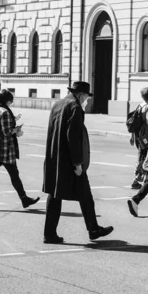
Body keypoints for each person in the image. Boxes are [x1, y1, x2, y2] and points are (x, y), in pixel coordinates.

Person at [43, 81, 114, 244]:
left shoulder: (58, 104)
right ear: (81, 95)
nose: (87, 101)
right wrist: (77, 164)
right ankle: (93, 229)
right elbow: (73, 137)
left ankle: (51, 233)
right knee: (85, 195)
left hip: (54, 158)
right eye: (87, 98)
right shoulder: (75, 107)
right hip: (69, 161)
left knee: (55, 195)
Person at [0, 89, 40, 211]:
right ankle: (24, 198)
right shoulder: (5, 112)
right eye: (11, 101)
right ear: (6, 101)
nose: (11, 103)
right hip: (4, 150)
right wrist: (16, 129)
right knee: (14, 175)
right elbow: (7, 132)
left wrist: (13, 119)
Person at [130, 87, 148, 190]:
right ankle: (137, 180)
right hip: (146, 137)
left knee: (143, 156)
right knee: (144, 158)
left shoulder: (140, 106)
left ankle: (143, 179)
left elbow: (135, 122)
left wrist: (132, 136)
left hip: (138, 136)